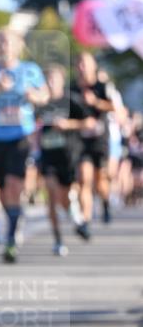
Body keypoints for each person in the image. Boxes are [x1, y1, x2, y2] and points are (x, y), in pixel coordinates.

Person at [0, 29, 49, 263]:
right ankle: (15, 218)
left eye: (6, 42)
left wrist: (32, 95)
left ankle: (11, 236)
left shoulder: (29, 70)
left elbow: (45, 95)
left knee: (14, 186)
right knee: (2, 189)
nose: (2, 46)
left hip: (20, 135)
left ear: (18, 45)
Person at [36, 65, 88, 255]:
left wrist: (68, 124)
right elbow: (33, 127)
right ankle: (57, 239)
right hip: (48, 155)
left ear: (61, 81)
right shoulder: (41, 104)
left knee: (65, 198)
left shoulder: (70, 101)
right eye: (47, 80)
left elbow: (89, 122)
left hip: (68, 155)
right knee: (51, 194)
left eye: (54, 80)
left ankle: (75, 215)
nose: (50, 84)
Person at [71, 53, 115, 233]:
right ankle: (85, 220)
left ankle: (105, 202)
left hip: (100, 141)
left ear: (93, 66)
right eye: (79, 63)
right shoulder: (72, 88)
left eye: (86, 64)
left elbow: (113, 107)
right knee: (84, 178)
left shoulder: (102, 86)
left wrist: (96, 102)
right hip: (80, 141)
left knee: (100, 181)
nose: (82, 67)